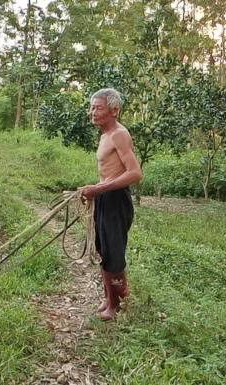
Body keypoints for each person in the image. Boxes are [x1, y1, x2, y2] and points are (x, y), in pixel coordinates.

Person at [79, 88, 142, 321]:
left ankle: (117, 305)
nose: (92, 112)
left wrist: (100, 189)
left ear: (114, 110)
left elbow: (135, 174)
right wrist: (94, 190)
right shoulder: (105, 134)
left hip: (116, 200)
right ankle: (109, 298)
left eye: (98, 108)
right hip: (105, 197)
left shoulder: (119, 134)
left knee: (114, 253)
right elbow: (109, 172)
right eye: (92, 107)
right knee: (103, 250)